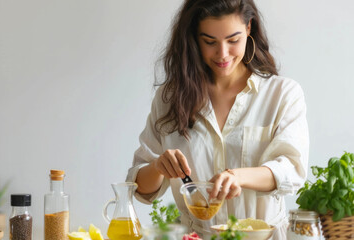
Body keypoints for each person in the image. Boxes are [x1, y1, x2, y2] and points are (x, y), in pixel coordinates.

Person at [126, 0, 309, 239]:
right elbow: (140, 188)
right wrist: (159, 167)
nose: (222, 54)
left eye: (233, 40)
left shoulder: (282, 94)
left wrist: (238, 177)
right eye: (209, 42)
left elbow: (292, 170)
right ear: (194, 37)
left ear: (249, 29)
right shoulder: (170, 98)